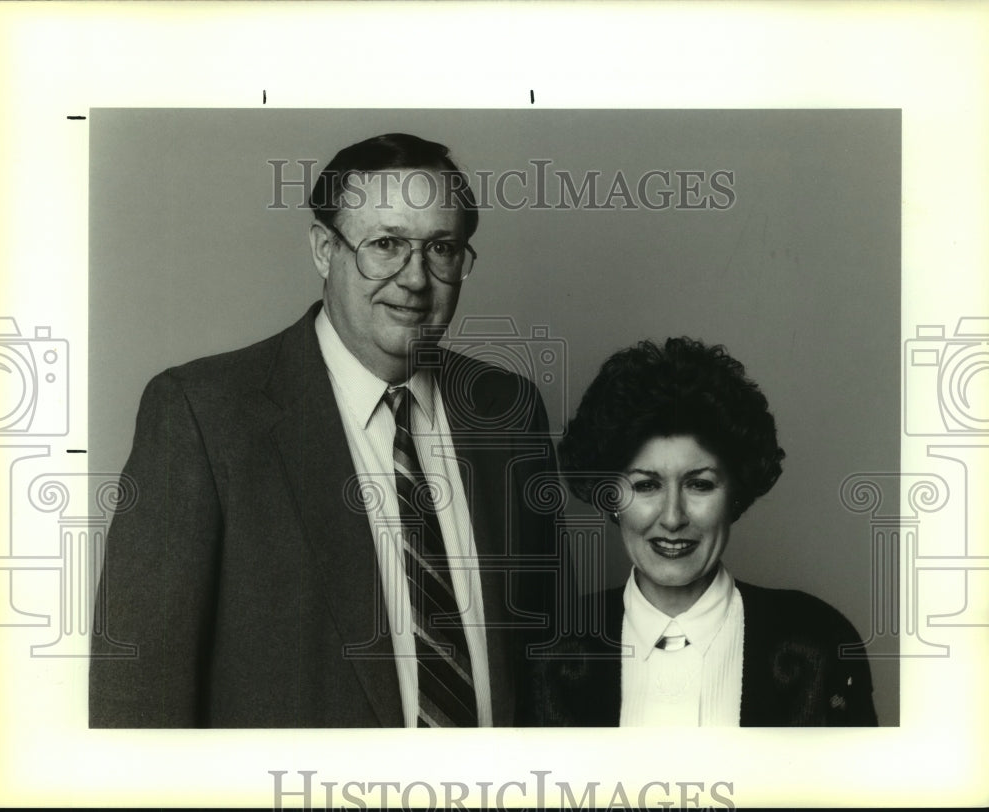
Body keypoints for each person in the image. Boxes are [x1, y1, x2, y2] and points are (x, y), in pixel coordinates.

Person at [90, 133, 561, 728]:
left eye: (441, 247)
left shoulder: (508, 413)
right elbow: (137, 697)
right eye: (385, 244)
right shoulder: (203, 415)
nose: (415, 279)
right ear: (323, 249)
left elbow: (544, 668)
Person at [530, 337, 877, 726]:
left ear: (736, 493)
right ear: (610, 497)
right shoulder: (551, 648)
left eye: (700, 484)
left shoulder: (817, 640)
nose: (673, 517)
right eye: (646, 485)